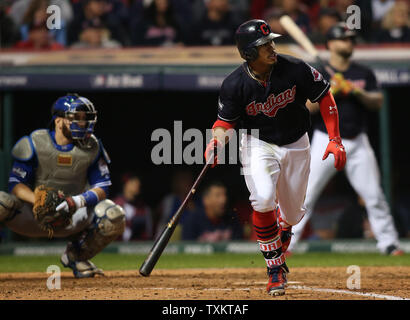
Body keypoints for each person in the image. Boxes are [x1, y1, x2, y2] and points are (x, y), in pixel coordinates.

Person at [204, 19, 346, 296]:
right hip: (258, 144)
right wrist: (215, 143)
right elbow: (224, 123)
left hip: (296, 142)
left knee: (292, 214)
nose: (271, 48)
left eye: (271, 42)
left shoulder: (294, 68)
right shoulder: (234, 84)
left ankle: (283, 225)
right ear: (248, 53)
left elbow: (325, 97)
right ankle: (275, 269)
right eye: (263, 45)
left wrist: (335, 139)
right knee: (263, 198)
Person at [288, 22, 403, 256]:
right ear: (330, 44)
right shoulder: (317, 75)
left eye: (351, 39)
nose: (349, 43)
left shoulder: (363, 73)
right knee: (305, 193)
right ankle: (287, 243)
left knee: (374, 195)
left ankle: (389, 243)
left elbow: (378, 102)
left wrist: (356, 90)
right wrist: (331, 92)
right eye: (343, 39)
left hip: (358, 141)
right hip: (325, 140)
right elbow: (307, 108)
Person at [0, 94, 125, 278]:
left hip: (72, 215)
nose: (82, 123)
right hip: (33, 215)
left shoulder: (93, 147)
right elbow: (15, 185)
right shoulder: (35, 142)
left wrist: (74, 202)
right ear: (58, 121)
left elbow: (102, 188)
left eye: (85, 118)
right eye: (76, 118)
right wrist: (39, 201)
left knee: (114, 215)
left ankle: (76, 256)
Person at [112, 173, 153, 241]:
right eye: (133, 182)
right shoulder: (114, 205)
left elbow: (148, 234)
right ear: (125, 184)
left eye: (137, 183)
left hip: (136, 248)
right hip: (115, 247)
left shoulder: (144, 209)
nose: (137, 185)